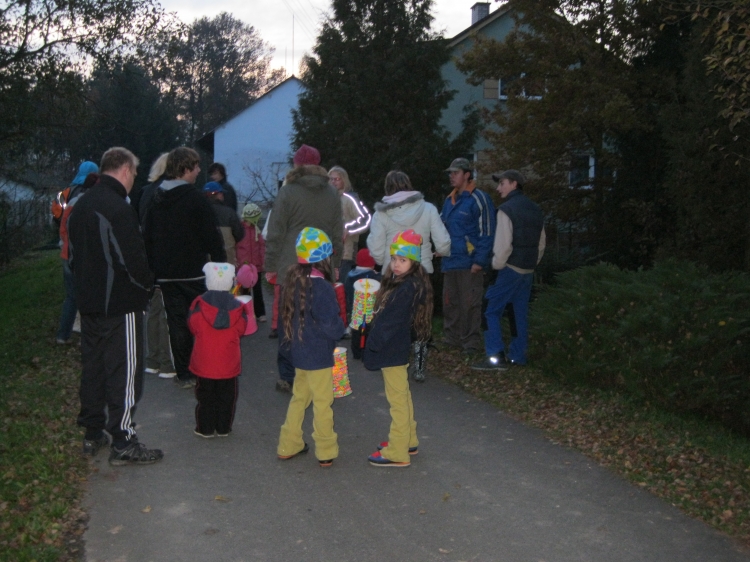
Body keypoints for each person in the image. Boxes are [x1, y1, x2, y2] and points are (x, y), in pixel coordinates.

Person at [67, 147, 163, 466]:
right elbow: (132, 260)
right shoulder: (118, 208)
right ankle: (123, 440)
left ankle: (93, 432)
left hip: (89, 302)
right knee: (125, 371)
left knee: (93, 368)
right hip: (121, 304)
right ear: (124, 170)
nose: (134, 178)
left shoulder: (81, 205)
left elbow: (72, 257)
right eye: (134, 172)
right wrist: (147, 285)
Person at [143, 147, 226, 389]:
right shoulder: (196, 199)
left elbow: (148, 237)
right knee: (202, 321)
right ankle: (204, 367)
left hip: (166, 273)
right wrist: (220, 265)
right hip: (194, 271)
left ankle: (184, 373)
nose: (199, 170)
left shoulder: (156, 198)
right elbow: (212, 236)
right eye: (196, 166)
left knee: (177, 322)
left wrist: (152, 272)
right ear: (186, 168)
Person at [264, 144, 343, 392]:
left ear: (297, 164)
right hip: (321, 262)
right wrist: (336, 264)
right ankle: (317, 372)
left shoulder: (288, 192)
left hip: (291, 263)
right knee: (318, 317)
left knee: (288, 319)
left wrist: (270, 264)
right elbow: (337, 233)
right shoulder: (332, 194)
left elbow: (276, 231)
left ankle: (289, 376)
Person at [367, 170, 451, 381]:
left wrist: (384, 260)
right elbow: (443, 241)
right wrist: (440, 252)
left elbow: (375, 248)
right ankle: (420, 365)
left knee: (394, 316)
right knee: (421, 317)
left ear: (387, 188)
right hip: (422, 272)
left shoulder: (381, 214)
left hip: (393, 273)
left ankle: (395, 359)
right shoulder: (428, 209)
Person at [276, 227, 345, 467]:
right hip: (319, 357)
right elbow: (330, 324)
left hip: (300, 354)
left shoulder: (292, 283)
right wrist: (341, 329)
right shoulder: (323, 288)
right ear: (325, 259)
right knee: (323, 403)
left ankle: (288, 443)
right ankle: (325, 450)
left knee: (299, 398)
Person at [364, 230, 433, 467]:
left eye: (402, 260)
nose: (396, 264)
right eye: (394, 259)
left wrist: (372, 343)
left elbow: (390, 322)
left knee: (397, 402)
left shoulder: (405, 289)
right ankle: (409, 440)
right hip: (397, 348)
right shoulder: (407, 283)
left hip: (392, 349)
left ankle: (397, 451)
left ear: (414, 262)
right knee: (402, 395)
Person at [472, 170, 546, 371]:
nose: (498, 188)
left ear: (514, 184)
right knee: (518, 312)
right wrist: (532, 263)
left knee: (489, 310)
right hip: (527, 270)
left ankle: (496, 357)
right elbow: (541, 243)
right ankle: (518, 356)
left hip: (509, 268)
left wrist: (496, 266)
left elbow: (503, 245)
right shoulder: (535, 209)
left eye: (502, 183)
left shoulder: (506, 210)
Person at [440, 158, 496, 353]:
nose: (451, 176)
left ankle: (470, 342)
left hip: (469, 263)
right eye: (450, 173)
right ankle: (452, 338)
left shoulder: (479, 198)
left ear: (467, 175)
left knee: (470, 303)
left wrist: (480, 260)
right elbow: (441, 228)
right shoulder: (449, 200)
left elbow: (487, 231)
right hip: (450, 261)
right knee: (450, 302)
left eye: (455, 173)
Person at [188, 262, 247, 438]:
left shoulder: (199, 303)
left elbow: (193, 325)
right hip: (228, 361)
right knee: (227, 397)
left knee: (205, 396)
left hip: (204, 360)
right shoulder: (237, 306)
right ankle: (223, 427)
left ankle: (205, 428)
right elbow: (241, 328)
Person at [137, 153, 175, 379]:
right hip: (166, 256)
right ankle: (167, 362)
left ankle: (152, 359)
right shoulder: (169, 193)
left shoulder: (145, 192)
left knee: (153, 310)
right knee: (167, 311)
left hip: (148, 257)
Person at [54, 161, 99, 344]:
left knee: (71, 296)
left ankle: (62, 335)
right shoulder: (94, 197)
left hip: (66, 249)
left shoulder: (64, 193)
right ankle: (85, 333)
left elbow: (57, 216)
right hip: (84, 253)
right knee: (89, 294)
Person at [329, 166, 371, 283]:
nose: (333, 182)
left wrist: (348, 229)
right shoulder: (325, 199)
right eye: (331, 179)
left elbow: (365, 218)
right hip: (326, 253)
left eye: (337, 179)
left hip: (346, 253)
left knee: (342, 287)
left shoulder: (350, 199)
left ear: (344, 180)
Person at [345, 248, 381, 361]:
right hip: (369, 310)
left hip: (355, 309)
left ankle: (356, 353)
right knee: (367, 332)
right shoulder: (373, 277)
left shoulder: (350, 275)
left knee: (356, 332)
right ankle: (366, 352)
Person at [236, 203, 267, 321]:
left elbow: (261, 247)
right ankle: (246, 313)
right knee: (245, 291)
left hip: (256, 266)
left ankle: (260, 313)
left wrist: (262, 261)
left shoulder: (256, 230)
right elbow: (236, 246)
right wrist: (237, 261)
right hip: (243, 266)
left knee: (258, 290)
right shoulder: (239, 229)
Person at [203, 181, 245, 265]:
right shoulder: (229, 212)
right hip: (227, 260)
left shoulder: (199, 212)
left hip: (205, 262)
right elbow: (239, 234)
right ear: (218, 194)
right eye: (221, 193)